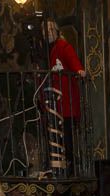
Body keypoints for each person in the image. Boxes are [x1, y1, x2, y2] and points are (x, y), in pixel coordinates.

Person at [44, 19, 85, 175]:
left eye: (50, 29)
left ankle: (69, 170)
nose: (48, 33)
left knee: (66, 138)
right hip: (54, 103)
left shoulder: (62, 46)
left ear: (57, 31)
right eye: (46, 30)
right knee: (56, 139)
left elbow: (72, 59)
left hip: (65, 103)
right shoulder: (47, 50)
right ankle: (58, 169)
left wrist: (79, 70)